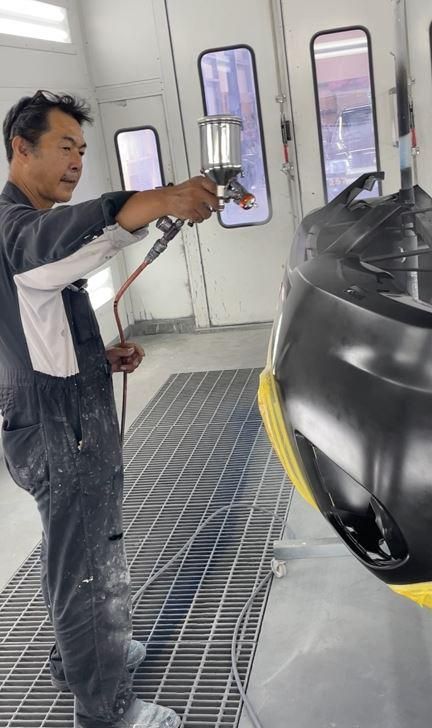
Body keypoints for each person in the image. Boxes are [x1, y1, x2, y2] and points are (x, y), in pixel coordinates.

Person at [0, 90, 218, 728]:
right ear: (21, 149)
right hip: (58, 426)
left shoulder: (22, 228)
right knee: (88, 568)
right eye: (64, 146)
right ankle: (104, 709)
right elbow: (69, 241)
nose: (76, 161)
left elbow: (35, 323)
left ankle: (84, 661)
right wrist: (162, 199)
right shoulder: (20, 231)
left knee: (74, 554)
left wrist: (98, 359)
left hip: (54, 411)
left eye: (82, 149)